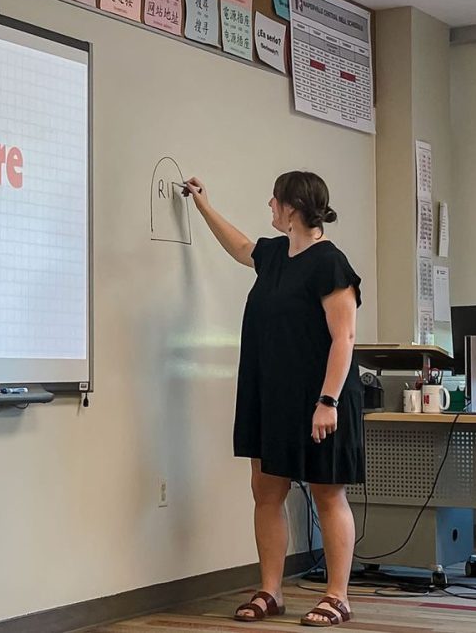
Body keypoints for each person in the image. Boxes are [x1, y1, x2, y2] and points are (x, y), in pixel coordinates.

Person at [185, 171, 364, 627]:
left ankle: (337, 596)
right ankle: (271, 591)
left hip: (320, 396)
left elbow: (343, 338)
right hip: (271, 394)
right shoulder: (275, 255)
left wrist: (328, 401)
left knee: (327, 492)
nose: (269, 204)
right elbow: (242, 245)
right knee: (266, 491)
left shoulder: (330, 262)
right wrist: (204, 206)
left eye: (275, 199)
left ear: (292, 208)